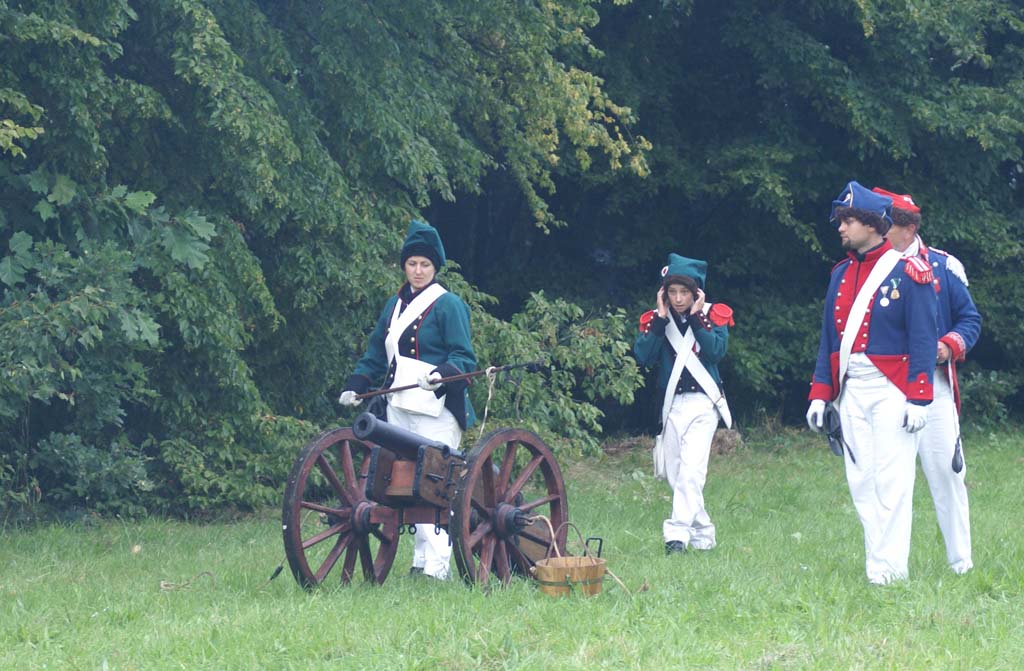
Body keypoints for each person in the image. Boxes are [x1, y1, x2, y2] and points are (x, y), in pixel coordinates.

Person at [806, 181, 937, 584]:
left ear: (871, 224)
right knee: (861, 480)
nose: (841, 228)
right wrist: (820, 393)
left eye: (848, 220)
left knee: (892, 480)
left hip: (892, 387)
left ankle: (890, 571)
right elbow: (829, 338)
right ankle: (876, 563)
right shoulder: (840, 274)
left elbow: (923, 338)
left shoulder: (909, 272)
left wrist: (919, 396)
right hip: (851, 388)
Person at [338, 219, 476, 580]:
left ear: (435, 268)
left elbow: (464, 357)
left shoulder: (449, 304)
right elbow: (376, 353)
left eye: (425, 264)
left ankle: (436, 569)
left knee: (436, 486)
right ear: (404, 266)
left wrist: (441, 373)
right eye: (412, 263)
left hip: (437, 407)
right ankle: (420, 564)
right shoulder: (394, 306)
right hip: (398, 405)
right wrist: (357, 383)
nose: (418, 270)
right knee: (407, 485)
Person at [875, 186, 981, 574]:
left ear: (907, 229)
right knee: (886, 478)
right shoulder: (872, 268)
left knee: (947, 473)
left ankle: (961, 563)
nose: (879, 233)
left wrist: (947, 347)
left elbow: (969, 320)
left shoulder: (943, 266)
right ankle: (886, 566)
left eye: (886, 227)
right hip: (885, 385)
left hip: (933, 384)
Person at [634, 254, 734, 554]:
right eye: (672, 292)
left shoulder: (713, 315)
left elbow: (716, 352)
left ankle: (675, 536)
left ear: (696, 293)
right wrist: (660, 318)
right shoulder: (658, 319)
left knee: (691, 473)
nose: (678, 299)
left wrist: (697, 316)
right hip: (672, 404)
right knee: (676, 476)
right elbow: (644, 357)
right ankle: (703, 535)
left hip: (704, 403)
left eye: (684, 292)